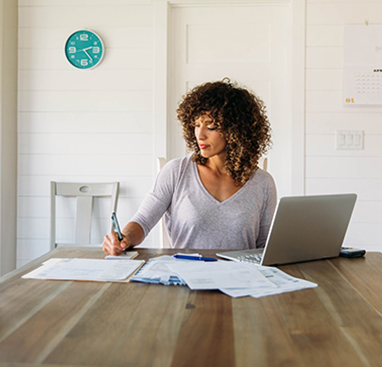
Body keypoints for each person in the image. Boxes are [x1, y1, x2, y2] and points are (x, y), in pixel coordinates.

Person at [102, 79, 277, 255]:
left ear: (236, 131)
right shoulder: (176, 171)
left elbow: (265, 247)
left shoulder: (262, 182)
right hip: (185, 277)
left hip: (241, 278)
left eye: (211, 126)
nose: (200, 135)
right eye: (196, 125)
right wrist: (124, 238)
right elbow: (143, 221)